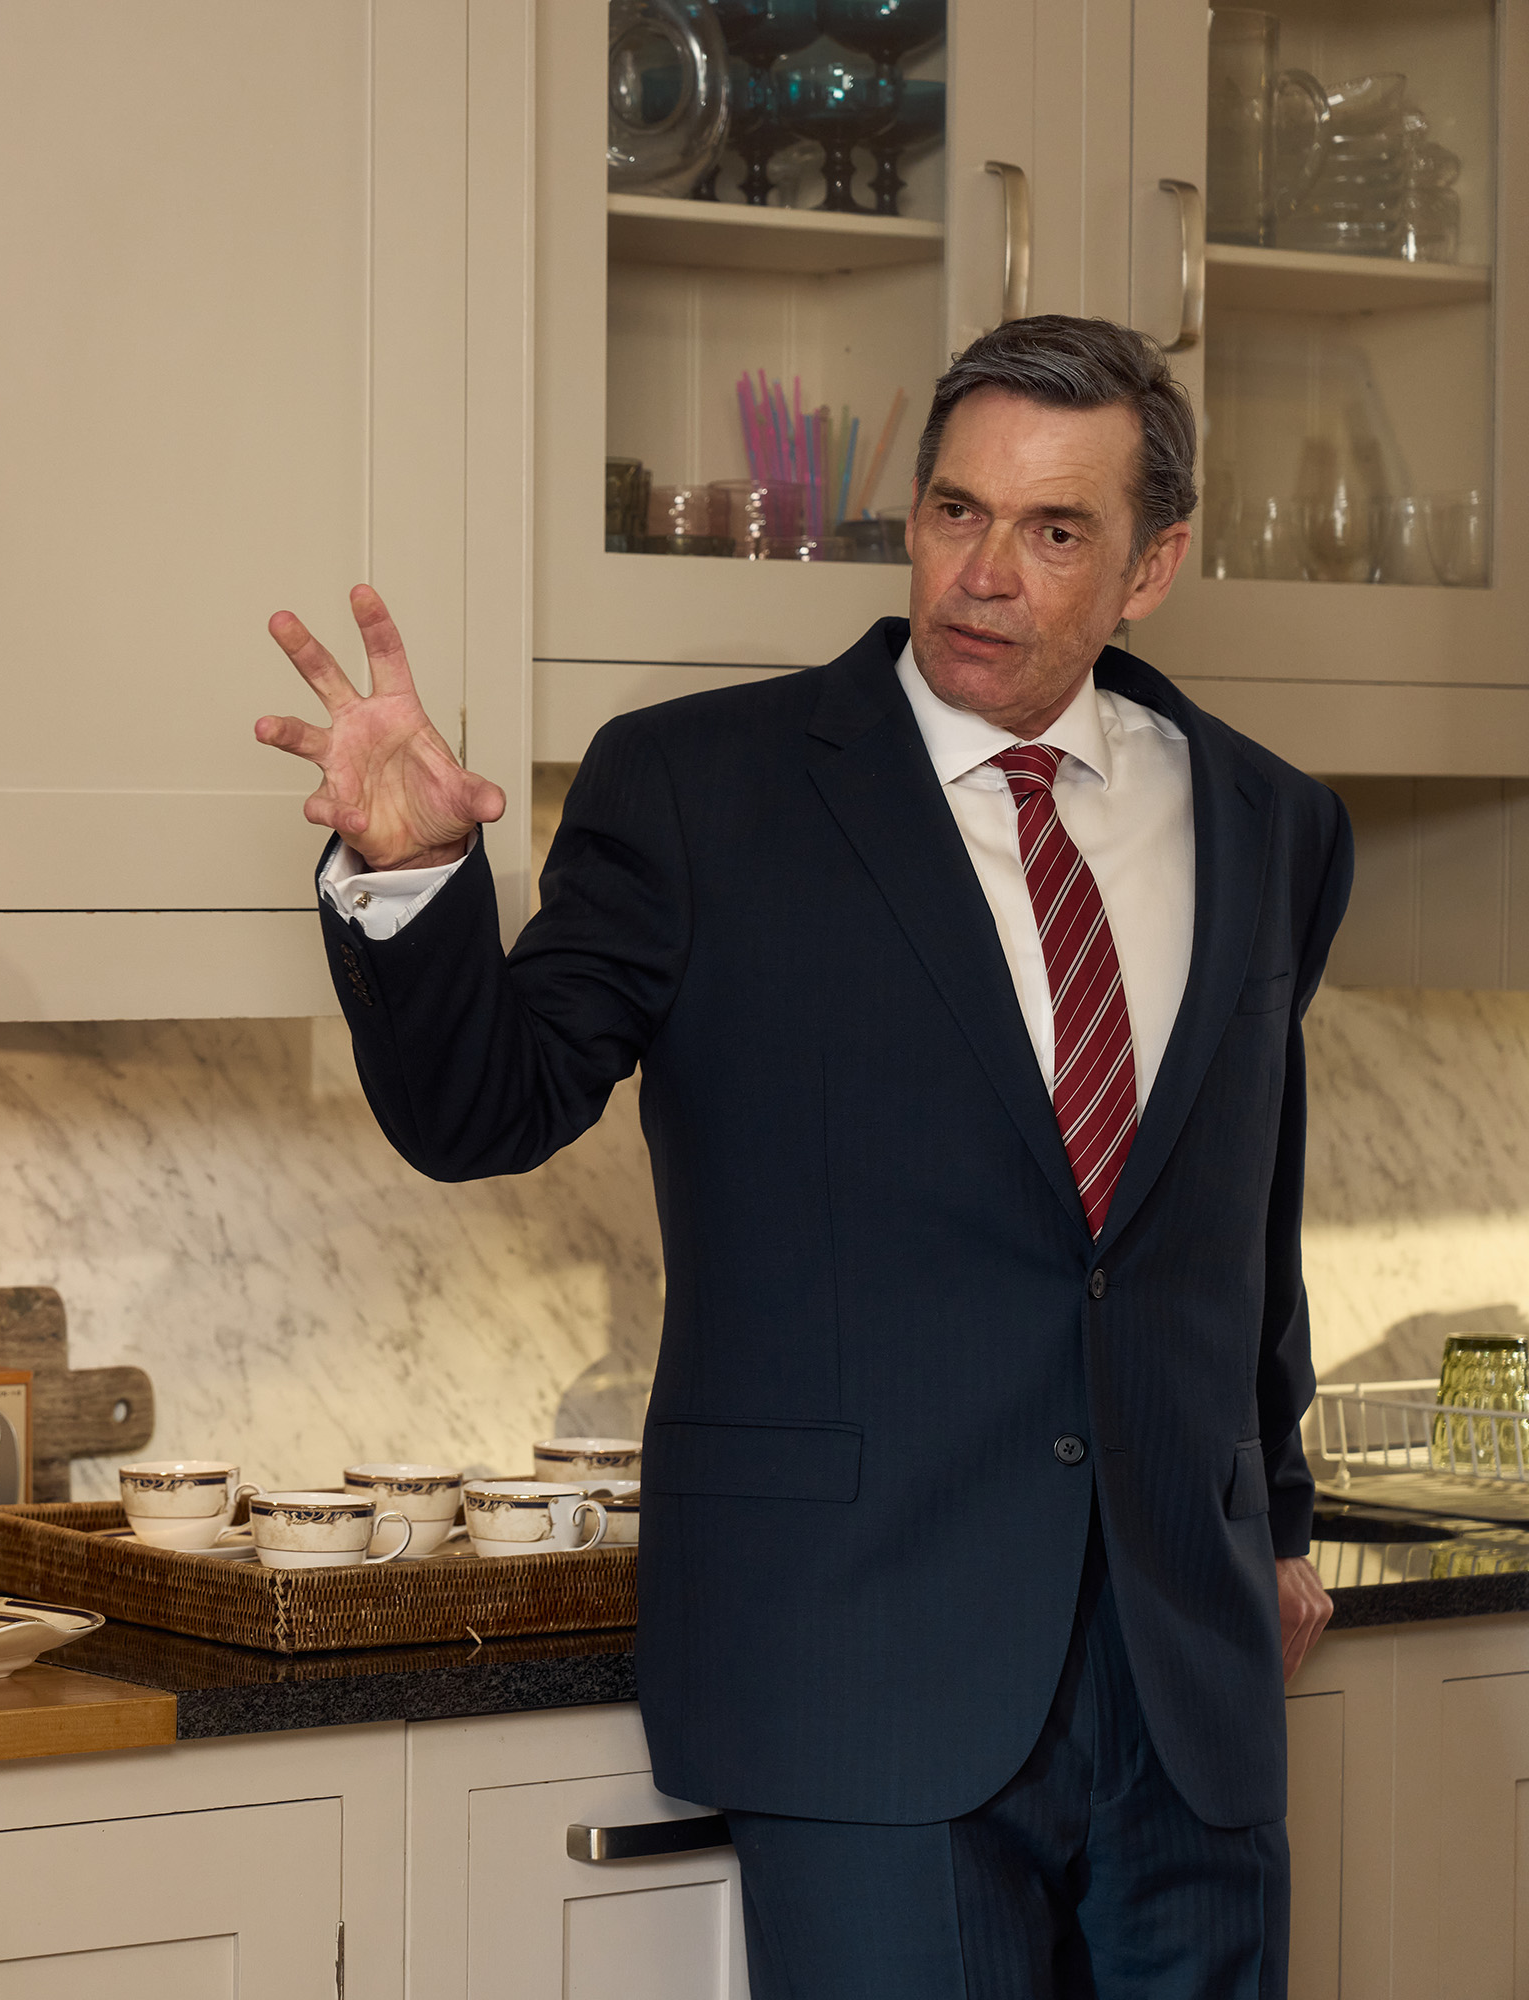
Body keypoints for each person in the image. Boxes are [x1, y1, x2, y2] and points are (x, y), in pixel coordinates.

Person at [254, 315, 1349, 1995]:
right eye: (957, 511)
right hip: (862, 1667)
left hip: (1187, 1688)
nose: (985, 573)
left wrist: (1273, 1516)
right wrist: (406, 879)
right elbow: (488, 1108)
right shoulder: (702, 788)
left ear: (1154, 567)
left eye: (1056, 532)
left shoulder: (1270, 818)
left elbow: (1241, 1203)